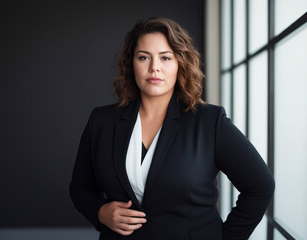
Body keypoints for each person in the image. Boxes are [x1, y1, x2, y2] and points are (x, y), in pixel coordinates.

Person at [69, 17, 274, 240]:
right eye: (143, 57)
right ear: (131, 64)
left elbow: (260, 186)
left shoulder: (209, 122)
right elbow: (80, 188)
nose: (154, 67)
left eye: (165, 58)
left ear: (180, 64)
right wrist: (100, 212)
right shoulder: (102, 121)